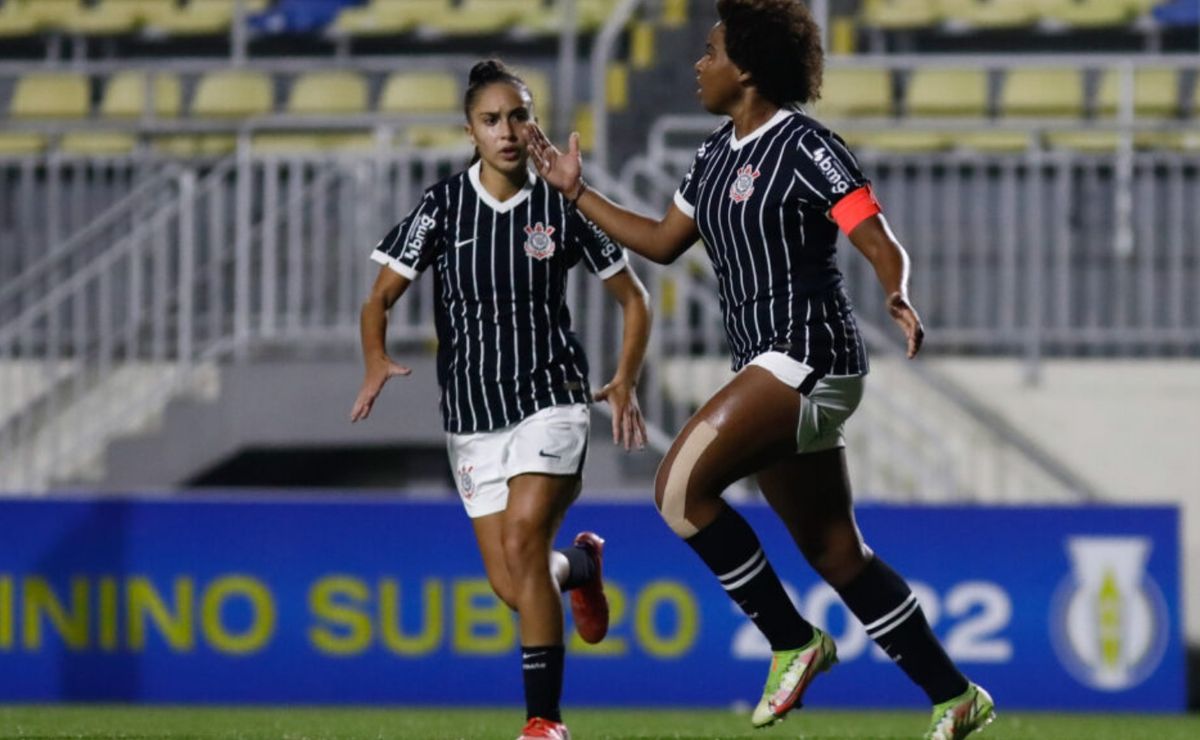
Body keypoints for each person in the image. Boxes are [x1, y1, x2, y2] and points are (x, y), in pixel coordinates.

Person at [526, 2, 994, 738]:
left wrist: (897, 290)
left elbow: (873, 234)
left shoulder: (807, 146)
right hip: (771, 365)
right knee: (836, 551)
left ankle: (791, 641)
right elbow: (660, 240)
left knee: (679, 488)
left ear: (745, 68)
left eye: (709, 51)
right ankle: (955, 695)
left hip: (808, 351)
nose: (697, 64)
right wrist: (576, 192)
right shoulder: (714, 153)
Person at [351, 59, 652, 740]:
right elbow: (379, 299)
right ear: (470, 131)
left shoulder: (564, 203)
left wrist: (625, 375)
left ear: (534, 121)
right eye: (492, 120)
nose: (508, 131)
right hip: (471, 417)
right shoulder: (442, 206)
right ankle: (579, 566)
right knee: (514, 584)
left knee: (521, 537)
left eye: (520, 116)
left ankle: (543, 722)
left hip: (553, 397)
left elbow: (633, 298)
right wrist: (374, 358)